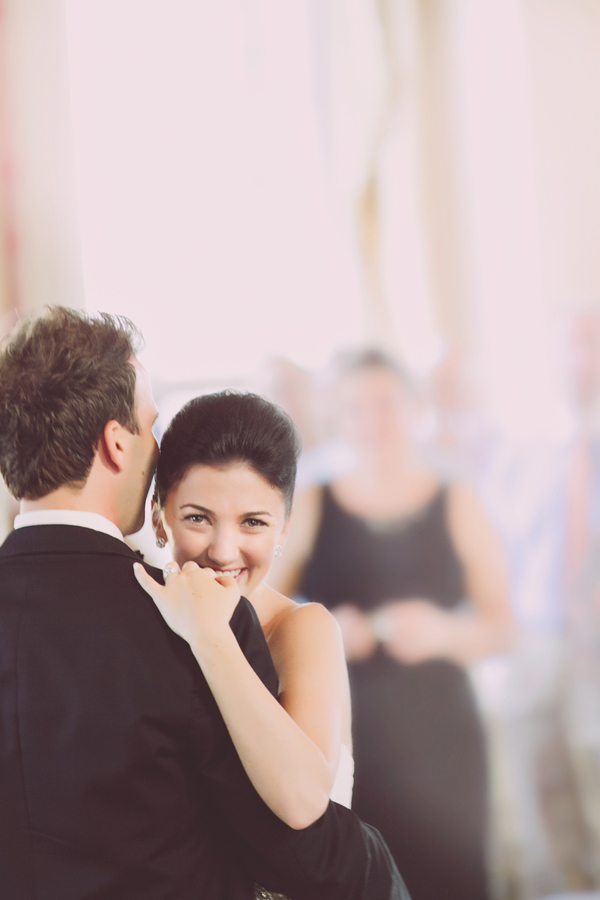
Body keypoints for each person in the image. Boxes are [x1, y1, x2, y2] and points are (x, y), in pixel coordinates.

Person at [0, 307, 408, 900]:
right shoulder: (184, 621)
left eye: (253, 521)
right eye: (148, 425)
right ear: (117, 444)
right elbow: (300, 846)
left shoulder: (269, 623)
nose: (223, 549)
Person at [271, 348, 515, 900]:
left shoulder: (458, 502)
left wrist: (445, 632)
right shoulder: (310, 504)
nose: (374, 420)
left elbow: (503, 628)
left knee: (455, 879)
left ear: (414, 408)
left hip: (443, 737)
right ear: (338, 415)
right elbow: (261, 616)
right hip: (352, 734)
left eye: (386, 404)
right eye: (356, 407)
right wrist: (326, 631)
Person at [134, 390, 354, 843]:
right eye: (198, 518)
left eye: (253, 522)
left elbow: (302, 800)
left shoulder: (304, 630)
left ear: (284, 529)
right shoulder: (133, 624)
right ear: (159, 518)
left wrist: (208, 633)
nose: (223, 551)